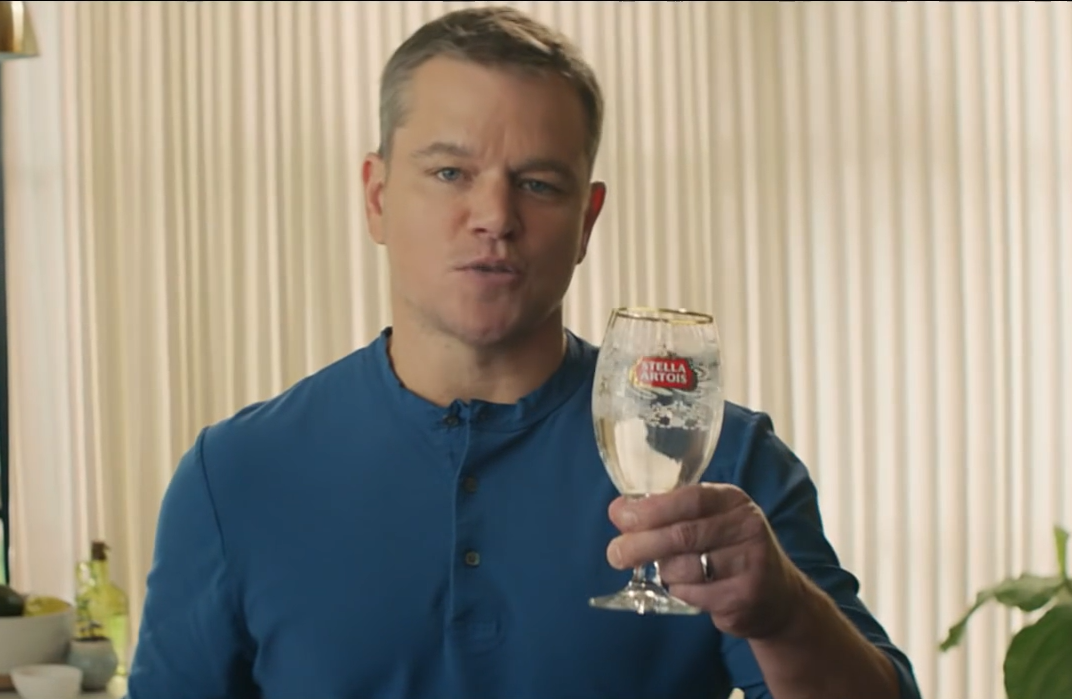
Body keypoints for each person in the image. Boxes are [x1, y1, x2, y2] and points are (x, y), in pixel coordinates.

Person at [125, 7, 921, 699]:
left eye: (538, 183)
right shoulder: (232, 476)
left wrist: (783, 613)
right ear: (375, 196)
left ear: (587, 218)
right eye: (449, 172)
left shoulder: (719, 465)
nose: (494, 215)